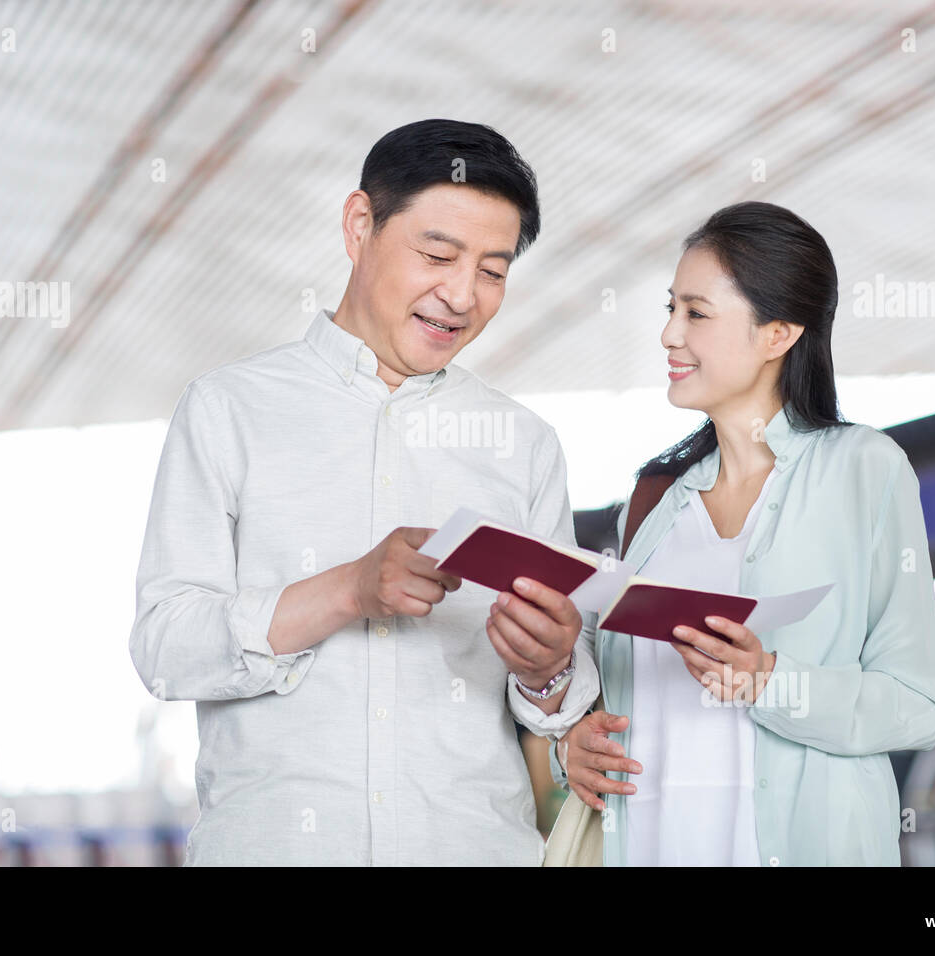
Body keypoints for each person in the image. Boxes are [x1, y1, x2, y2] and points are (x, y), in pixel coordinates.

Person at [128, 118, 600, 865]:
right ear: (359, 225)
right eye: (438, 254)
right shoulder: (228, 410)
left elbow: (557, 706)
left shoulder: (523, 444)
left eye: (493, 270)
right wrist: (348, 589)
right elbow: (164, 649)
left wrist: (551, 670)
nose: (461, 294)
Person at [550, 201, 935, 866]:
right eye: (669, 308)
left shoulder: (863, 471)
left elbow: (916, 707)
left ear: (779, 333)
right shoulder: (651, 499)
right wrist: (574, 746)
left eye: (696, 313)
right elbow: (597, 694)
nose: (668, 335)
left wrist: (768, 680)